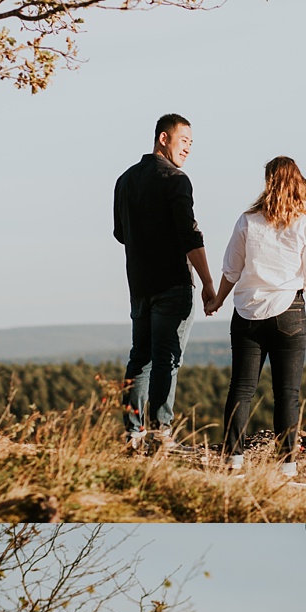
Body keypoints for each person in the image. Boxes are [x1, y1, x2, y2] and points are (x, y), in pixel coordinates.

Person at [113, 112, 218, 452]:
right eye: (184, 140)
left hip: (139, 285)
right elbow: (189, 235)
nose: (188, 149)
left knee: (140, 357)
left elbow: (120, 234)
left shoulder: (125, 180)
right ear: (163, 138)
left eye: (191, 143)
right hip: (172, 283)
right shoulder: (176, 181)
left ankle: (133, 434)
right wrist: (207, 283)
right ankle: (161, 434)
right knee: (167, 357)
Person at [213, 156, 306, 471]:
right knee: (287, 393)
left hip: (247, 312)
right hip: (290, 311)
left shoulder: (248, 221)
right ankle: (287, 465)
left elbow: (231, 270)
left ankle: (233, 460)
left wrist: (218, 300)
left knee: (242, 387)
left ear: (267, 182)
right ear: (298, 182)